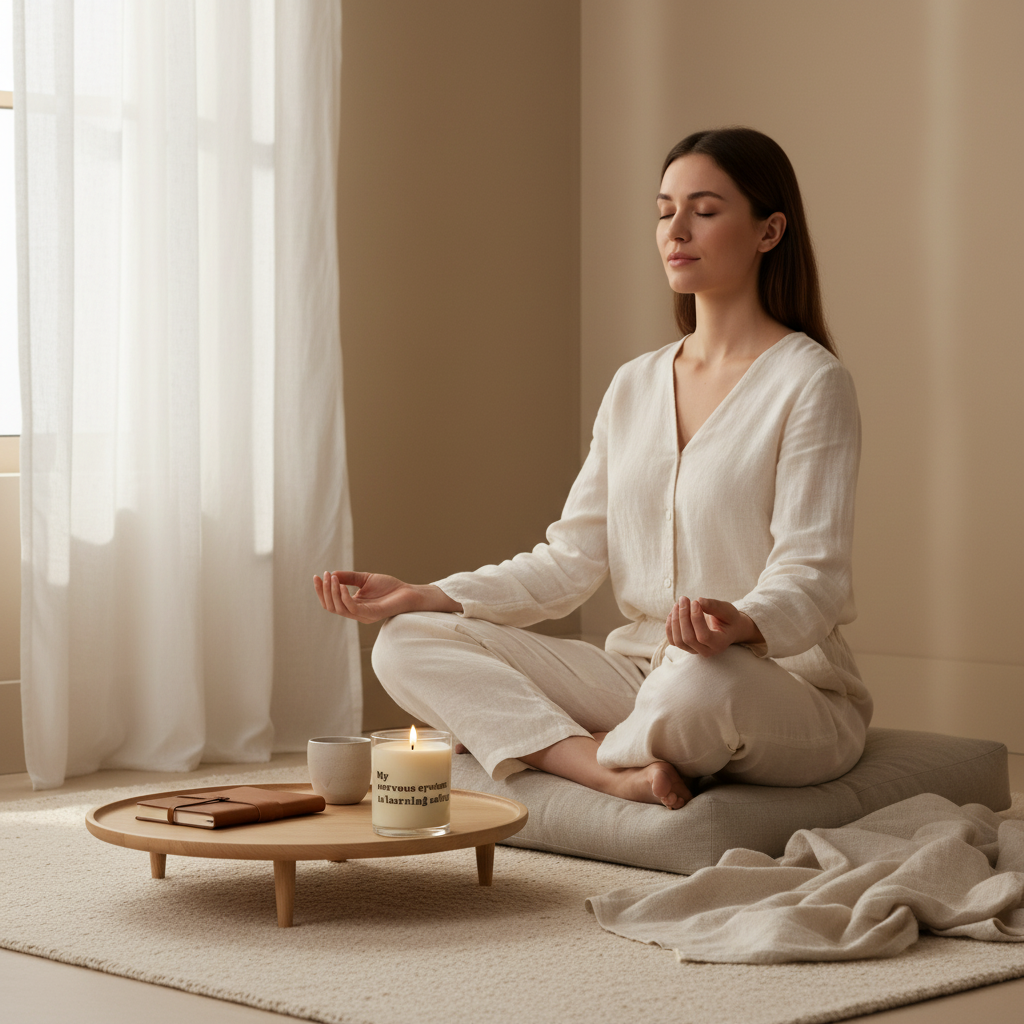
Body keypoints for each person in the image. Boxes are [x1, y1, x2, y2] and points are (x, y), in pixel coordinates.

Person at [315, 127, 872, 811]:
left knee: (697, 686)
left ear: (768, 230)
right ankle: (601, 764)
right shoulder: (634, 385)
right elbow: (569, 562)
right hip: (637, 672)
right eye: (665, 210)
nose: (677, 229)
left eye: (705, 209)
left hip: (772, 684)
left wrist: (744, 623)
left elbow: (813, 576)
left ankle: (556, 740)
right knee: (405, 644)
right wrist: (427, 593)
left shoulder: (812, 383)